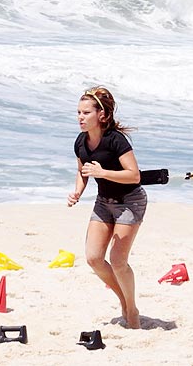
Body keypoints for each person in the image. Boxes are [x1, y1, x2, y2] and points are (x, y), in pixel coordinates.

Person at [67, 86, 147, 329]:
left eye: (86, 113)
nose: (80, 117)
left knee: (118, 260)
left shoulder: (116, 141)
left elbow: (134, 176)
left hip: (129, 203)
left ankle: (131, 309)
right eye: (78, 112)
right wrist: (78, 192)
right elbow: (82, 171)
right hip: (104, 203)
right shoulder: (81, 142)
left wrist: (103, 172)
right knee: (93, 258)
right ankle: (123, 300)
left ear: (102, 116)